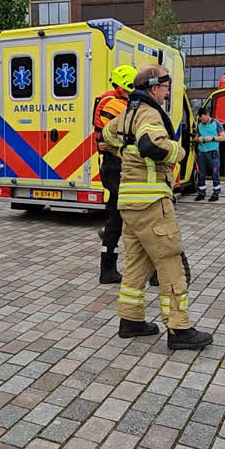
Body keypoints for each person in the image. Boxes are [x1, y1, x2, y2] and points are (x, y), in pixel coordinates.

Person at [103, 65, 212, 351]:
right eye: (166, 87)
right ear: (154, 87)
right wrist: (179, 151)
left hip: (129, 202)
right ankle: (179, 329)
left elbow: (107, 136)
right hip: (152, 202)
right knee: (170, 262)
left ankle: (131, 320)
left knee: (137, 263)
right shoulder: (150, 113)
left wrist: (126, 153)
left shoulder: (127, 113)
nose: (167, 92)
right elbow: (151, 145)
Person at [94, 64, 138, 284]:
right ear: (122, 86)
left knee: (116, 220)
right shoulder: (114, 105)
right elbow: (124, 134)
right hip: (116, 167)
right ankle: (109, 268)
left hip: (115, 166)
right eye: (131, 88)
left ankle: (108, 269)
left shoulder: (119, 102)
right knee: (124, 218)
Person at [193, 107, 225, 202]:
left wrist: (212, 138)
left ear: (207, 115)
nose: (202, 120)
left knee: (215, 173)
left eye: (203, 118)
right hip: (201, 152)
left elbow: (223, 137)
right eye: (201, 119)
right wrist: (197, 139)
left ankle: (216, 194)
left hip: (213, 153)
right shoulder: (199, 125)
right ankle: (201, 193)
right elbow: (196, 137)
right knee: (200, 174)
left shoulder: (216, 124)